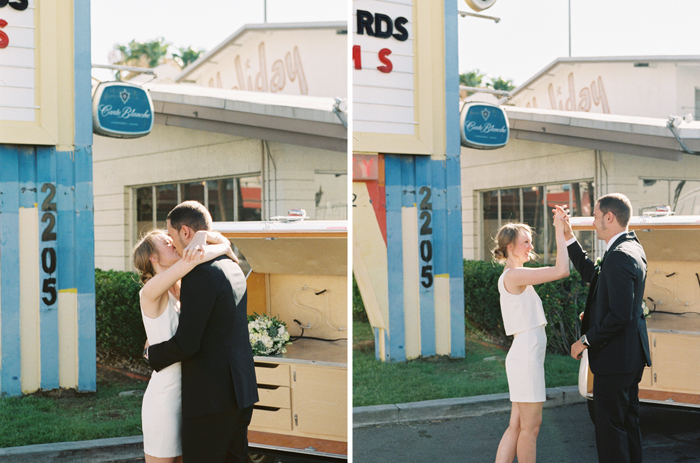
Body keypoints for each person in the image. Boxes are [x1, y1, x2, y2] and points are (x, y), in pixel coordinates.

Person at [144, 200, 259, 463]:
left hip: (211, 397)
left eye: (172, 235)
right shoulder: (232, 265)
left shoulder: (199, 274)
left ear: (185, 232)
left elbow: (187, 343)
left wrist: (151, 354)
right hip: (241, 389)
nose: (172, 243)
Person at [133, 227, 236, 463]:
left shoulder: (178, 289)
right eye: (167, 243)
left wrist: (202, 236)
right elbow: (196, 257)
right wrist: (225, 248)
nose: (174, 243)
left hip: (189, 396)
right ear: (153, 258)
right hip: (164, 400)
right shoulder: (150, 291)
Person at [564, 194, 651, 463]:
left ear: (609, 217)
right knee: (627, 427)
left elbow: (620, 315)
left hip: (615, 361)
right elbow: (595, 276)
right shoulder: (630, 247)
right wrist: (568, 237)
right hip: (628, 358)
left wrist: (585, 340)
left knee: (610, 434)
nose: (592, 221)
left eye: (595, 216)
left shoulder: (619, 256)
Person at [493, 208, 570, 463]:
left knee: (517, 426)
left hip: (523, 357)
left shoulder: (514, 275)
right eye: (526, 241)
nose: (530, 246)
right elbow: (562, 270)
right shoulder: (515, 275)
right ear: (511, 246)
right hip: (525, 359)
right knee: (530, 428)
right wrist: (560, 230)